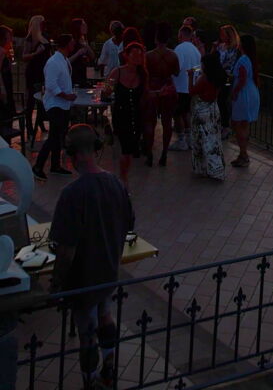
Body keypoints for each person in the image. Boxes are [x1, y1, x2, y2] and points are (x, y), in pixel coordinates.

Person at [49, 123, 134, 390]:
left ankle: (90, 380)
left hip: (83, 278)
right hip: (108, 271)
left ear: (71, 154)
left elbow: (66, 250)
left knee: (86, 331)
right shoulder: (117, 185)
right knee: (106, 315)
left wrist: (56, 283)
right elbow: (128, 224)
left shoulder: (72, 194)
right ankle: (109, 368)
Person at [32, 34, 77, 181]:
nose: (74, 44)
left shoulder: (63, 60)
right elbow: (51, 85)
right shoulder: (53, 62)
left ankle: (55, 165)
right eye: (72, 42)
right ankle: (38, 166)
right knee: (54, 137)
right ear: (66, 44)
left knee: (58, 135)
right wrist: (66, 96)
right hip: (55, 104)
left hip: (63, 105)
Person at [107, 42, 147, 190]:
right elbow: (106, 91)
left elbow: (146, 96)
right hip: (120, 115)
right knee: (125, 148)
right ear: (126, 55)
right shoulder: (117, 72)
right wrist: (108, 86)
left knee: (130, 150)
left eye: (140, 54)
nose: (137, 57)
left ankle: (123, 177)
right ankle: (122, 179)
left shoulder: (142, 75)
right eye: (134, 54)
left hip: (136, 116)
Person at [144, 22, 179, 167]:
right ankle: (164, 153)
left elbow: (145, 73)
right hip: (168, 87)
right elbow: (176, 72)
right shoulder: (173, 55)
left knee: (150, 123)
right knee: (167, 122)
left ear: (156, 39)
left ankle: (149, 153)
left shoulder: (148, 55)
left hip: (153, 87)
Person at [188, 53, 226, 180]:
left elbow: (192, 91)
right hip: (213, 108)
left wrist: (190, 76)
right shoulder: (218, 77)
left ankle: (203, 168)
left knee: (201, 139)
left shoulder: (205, 78)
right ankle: (216, 169)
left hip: (203, 110)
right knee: (213, 139)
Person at [169, 25, 201, 151]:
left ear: (181, 35)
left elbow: (177, 68)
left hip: (180, 87)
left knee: (176, 114)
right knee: (186, 112)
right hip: (191, 87)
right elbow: (198, 68)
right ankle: (189, 138)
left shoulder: (179, 49)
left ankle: (181, 140)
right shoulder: (196, 50)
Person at [231, 35, 260, 167]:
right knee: (244, 124)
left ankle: (243, 154)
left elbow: (242, 79)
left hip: (244, 94)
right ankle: (243, 154)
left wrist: (234, 92)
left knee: (238, 124)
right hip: (251, 91)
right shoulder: (250, 59)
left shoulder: (243, 59)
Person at [23, 15, 52, 139]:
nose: (44, 25)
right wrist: (36, 53)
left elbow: (49, 54)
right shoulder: (30, 39)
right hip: (33, 73)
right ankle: (29, 127)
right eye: (42, 23)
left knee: (42, 100)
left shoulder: (45, 37)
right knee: (31, 101)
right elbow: (24, 57)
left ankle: (40, 123)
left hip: (44, 73)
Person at [213, 24, 240, 139]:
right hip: (219, 76)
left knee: (223, 99)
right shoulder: (220, 46)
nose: (221, 36)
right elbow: (213, 58)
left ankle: (226, 127)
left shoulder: (234, 49)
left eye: (223, 34)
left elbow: (227, 63)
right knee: (218, 100)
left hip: (228, 77)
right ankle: (220, 125)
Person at [69, 18, 95, 87]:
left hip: (85, 75)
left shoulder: (84, 40)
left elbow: (93, 57)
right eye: (83, 25)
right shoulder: (71, 41)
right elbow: (66, 61)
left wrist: (87, 46)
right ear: (77, 27)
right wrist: (78, 53)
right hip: (75, 76)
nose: (86, 27)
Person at [0, 25, 15, 121]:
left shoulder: (4, 51)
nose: (11, 40)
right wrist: (2, 90)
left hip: (7, 85)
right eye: (9, 37)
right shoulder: (1, 51)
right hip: (4, 86)